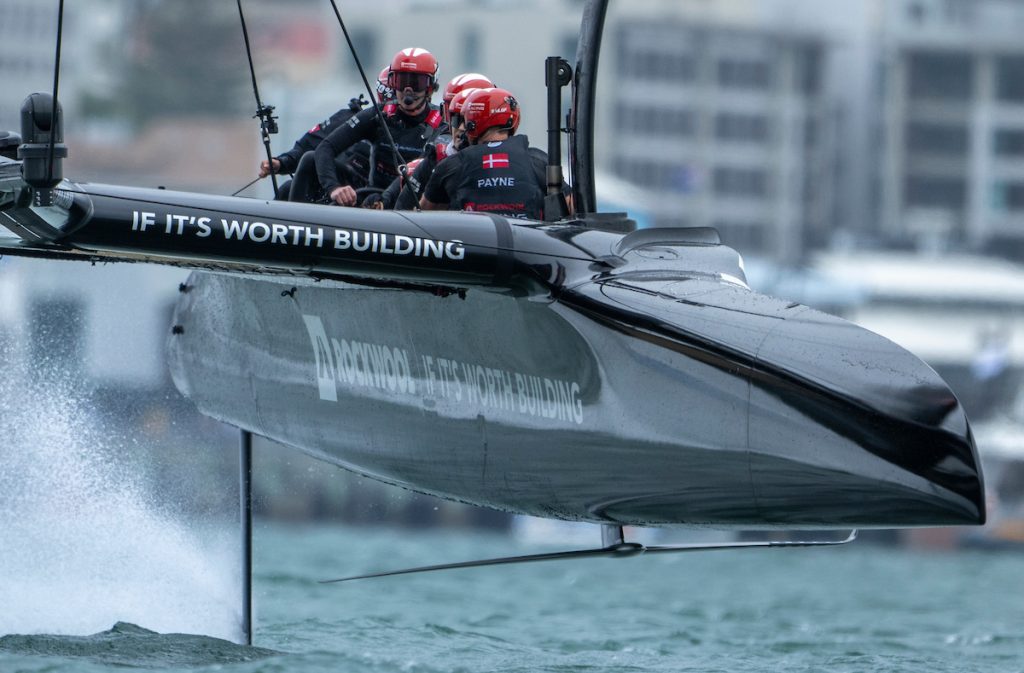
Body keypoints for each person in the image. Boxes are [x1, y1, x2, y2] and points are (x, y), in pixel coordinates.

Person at [315, 47, 446, 207]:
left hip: (414, 207)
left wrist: (387, 198)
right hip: (371, 200)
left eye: (415, 83)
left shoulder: (442, 123)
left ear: (430, 87)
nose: (407, 90)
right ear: (392, 82)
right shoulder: (377, 115)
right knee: (308, 159)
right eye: (401, 81)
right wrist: (334, 188)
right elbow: (326, 147)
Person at [420, 87, 565, 220]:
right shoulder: (539, 160)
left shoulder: (452, 165)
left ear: (472, 122)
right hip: (529, 246)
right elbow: (569, 207)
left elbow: (424, 217)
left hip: (475, 246)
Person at [257, 67, 393, 201]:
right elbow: (309, 145)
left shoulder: (413, 132)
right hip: (337, 189)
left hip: (380, 199)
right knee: (288, 188)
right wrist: (281, 163)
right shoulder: (355, 119)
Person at [367, 73, 493, 211]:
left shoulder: (510, 153)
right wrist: (385, 200)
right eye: (454, 116)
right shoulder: (437, 154)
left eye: (467, 119)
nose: (460, 127)